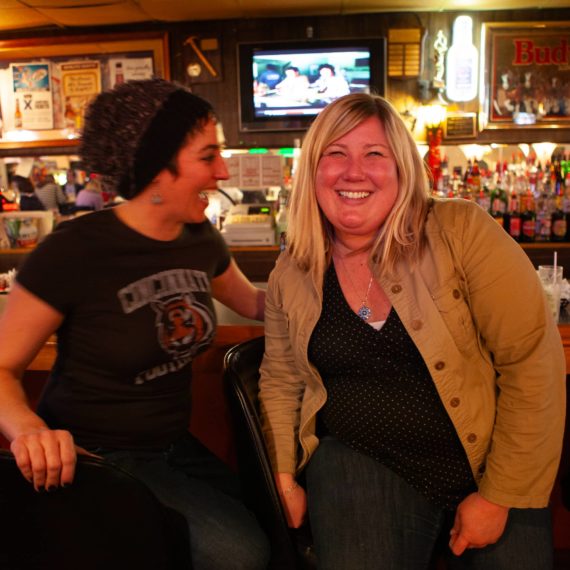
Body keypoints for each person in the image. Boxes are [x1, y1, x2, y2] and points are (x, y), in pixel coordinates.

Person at [258, 93, 566, 569]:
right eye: (334, 154)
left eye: (374, 154)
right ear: (312, 174)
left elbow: (532, 363)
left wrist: (498, 497)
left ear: (402, 168)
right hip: (360, 463)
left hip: (488, 464)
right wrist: (282, 477)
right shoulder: (292, 271)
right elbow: (281, 380)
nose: (353, 172)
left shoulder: (461, 231)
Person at [0, 79, 269, 570]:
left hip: (171, 446)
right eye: (208, 156)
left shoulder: (199, 237)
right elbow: (0, 368)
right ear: (156, 170)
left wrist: (337, 292)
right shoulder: (73, 251)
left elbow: (253, 303)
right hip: (95, 455)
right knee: (240, 555)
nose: (224, 170)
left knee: (271, 524)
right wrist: (28, 431)